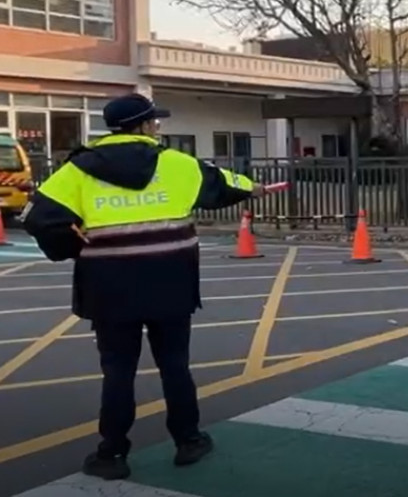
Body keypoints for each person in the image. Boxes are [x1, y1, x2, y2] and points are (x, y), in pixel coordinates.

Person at [21, 93, 262, 481]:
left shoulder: (77, 170)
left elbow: (37, 217)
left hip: (109, 288)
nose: (158, 127)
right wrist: (254, 188)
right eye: (155, 122)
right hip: (171, 283)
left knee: (118, 371)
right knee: (175, 366)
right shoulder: (178, 164)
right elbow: (226, 185)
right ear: (147, 126)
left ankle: (111, 454)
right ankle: (188, 441)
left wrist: (71, 246)